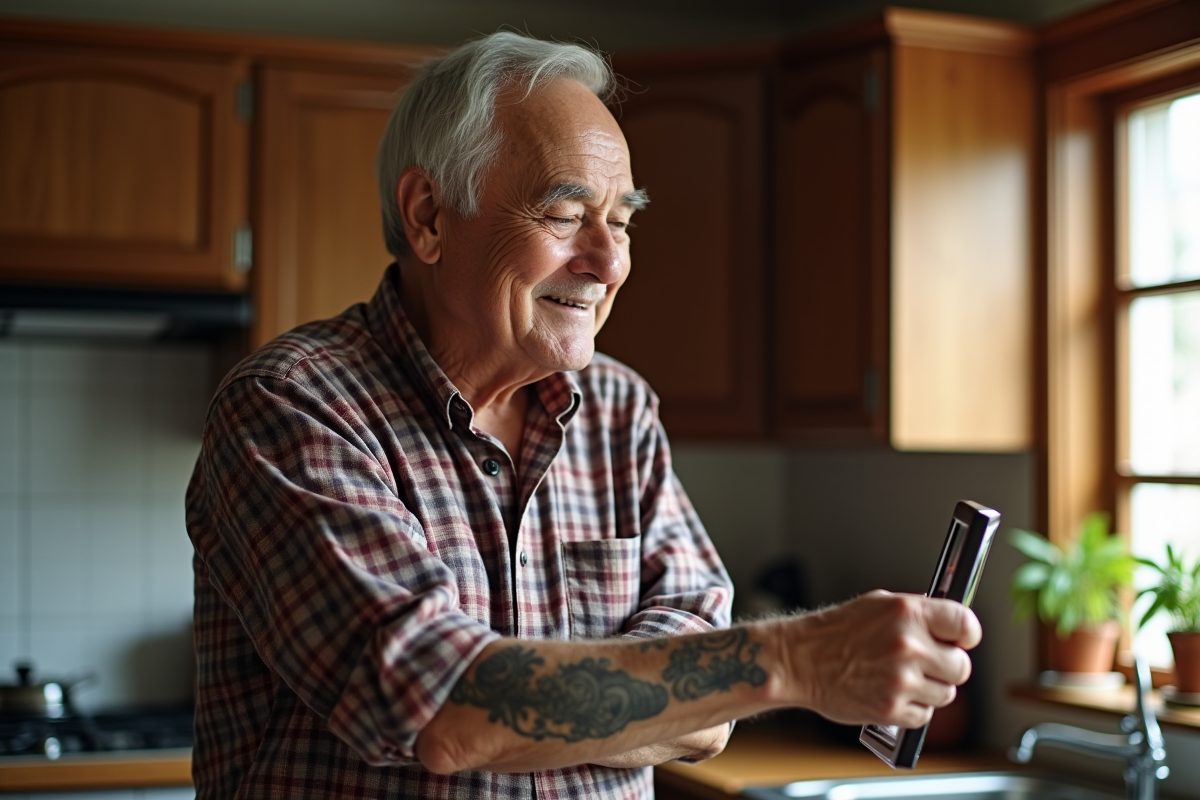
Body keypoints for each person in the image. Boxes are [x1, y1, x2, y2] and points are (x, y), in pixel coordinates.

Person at [185, 31, 980, 800]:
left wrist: (545, 707)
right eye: (566, 216)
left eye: (622, 221)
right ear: (429, 215)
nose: (610, 263)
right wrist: (793, 662)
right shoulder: (295, 406)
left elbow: (707, 720)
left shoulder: (619, 411)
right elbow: (446, 709)